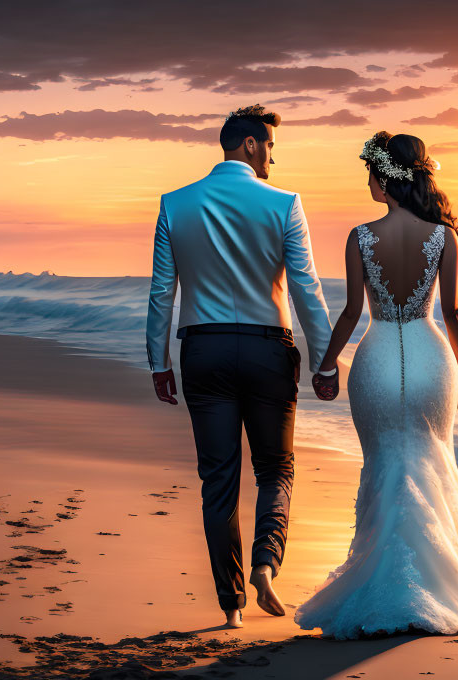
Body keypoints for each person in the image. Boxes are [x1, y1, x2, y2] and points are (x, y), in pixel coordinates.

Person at [295, 131, 458, 639]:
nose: (367, 181)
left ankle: (384, 585)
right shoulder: (443, 237)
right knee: (431, 458)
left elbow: (349, 312)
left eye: (370, 172)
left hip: (377, 356)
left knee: (387, 462)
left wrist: (325, 365)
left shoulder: (361, 237)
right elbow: (453, 312)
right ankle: (435, 587)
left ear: (386, 178)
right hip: (433, 358)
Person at [145, 104, 340, 629]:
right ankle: (265, 564)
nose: (274, 155)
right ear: (251, 145)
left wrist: (158, 362)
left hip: (203, 351)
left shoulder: (175, 204)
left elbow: (164, 290)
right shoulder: (284, 204)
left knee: (218, 479)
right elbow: (306, 289)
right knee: (276, 467)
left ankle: (230, 605)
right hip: (267, 350)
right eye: (271, 145)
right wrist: (325, 362)